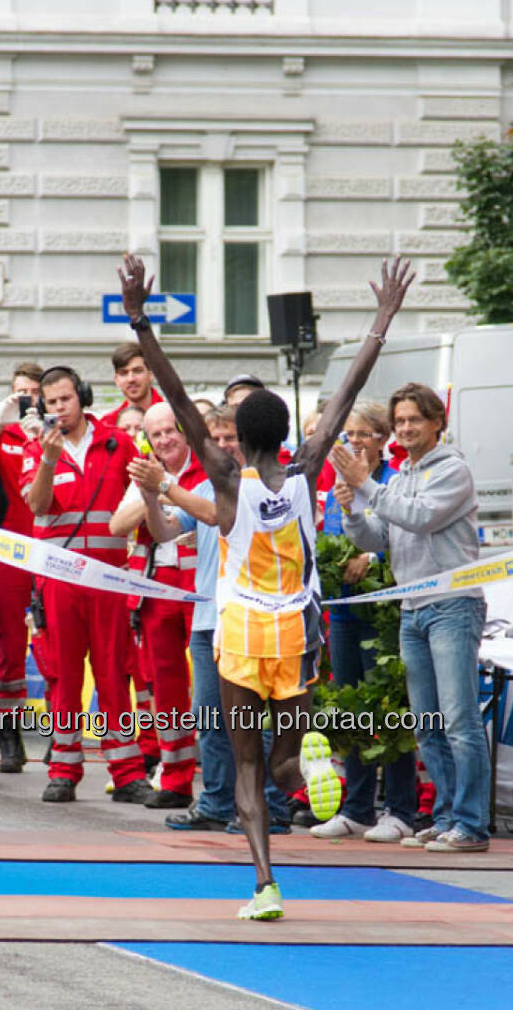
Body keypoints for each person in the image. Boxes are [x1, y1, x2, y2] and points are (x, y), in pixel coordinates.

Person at [120, 253, 413, 919]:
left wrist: (141, 319)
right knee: (286, 760)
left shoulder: (225, 477)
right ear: (286, 434)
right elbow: (341, 399)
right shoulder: (307, 468)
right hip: (296, 631)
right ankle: (312, 764)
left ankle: (264, 884)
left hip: (241, 633)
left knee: (247, 764)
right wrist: (381, 320)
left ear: (239, 436)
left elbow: (170, 394)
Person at [339, 381, 491, 852]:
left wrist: (367, 485)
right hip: (413, 609)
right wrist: (351, 511)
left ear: (437, 423)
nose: (405, 428)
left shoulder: (452, 469)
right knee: (427, 725)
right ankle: (446, 816)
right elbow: (376, 538)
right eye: (400, 420)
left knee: (459, 721)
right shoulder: (401, 475)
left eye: (414, 420)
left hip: (452, 606)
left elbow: (421, 517)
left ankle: (470, 824)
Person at [136, 401, 293, 838]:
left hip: (257, 620)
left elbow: (213, 517)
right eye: (216, 439)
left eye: (229, 438)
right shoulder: (206, 487)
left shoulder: (265, 486)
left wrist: (164, 483)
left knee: (256, 720)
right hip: (209, 621)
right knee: (210, 717)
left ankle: (271, 806)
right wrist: (151, 498)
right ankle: (219, 801)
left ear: (244, 442)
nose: (224, 446)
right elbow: (167, 531)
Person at [21, 366, 152, 803]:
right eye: (51, 403)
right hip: (58, 582)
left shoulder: (118, 442)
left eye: (65, 400)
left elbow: (147, 494)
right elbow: (36, 505)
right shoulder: (36, 447)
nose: (59, 409)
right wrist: (48, 460)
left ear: (82, 397)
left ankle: (128, 771)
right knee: (62, 676)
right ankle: (63, 768)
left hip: (109, 579)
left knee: (115, 672)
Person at [311, 400, 418, 843]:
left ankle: (400, 809)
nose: (352, 442)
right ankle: (356, 808)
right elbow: (329, 536)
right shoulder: (336, 485)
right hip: (344, 610)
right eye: (347, 435)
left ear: (382, 439)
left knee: (390, 710)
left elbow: (409, 536)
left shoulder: (394, 481)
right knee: (350, 707)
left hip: (384, 612)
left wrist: (373, 556)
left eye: (361, 434)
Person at [109, 401, 210, 807]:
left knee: (213, 688)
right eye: (156, 435)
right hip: (157, 585)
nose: (165, 439)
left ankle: (227, 781)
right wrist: (155, 492)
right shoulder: (145, 470)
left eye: (170, 431)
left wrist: (169, 492)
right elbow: (117, 525)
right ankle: (176, 781)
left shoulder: (207, 466)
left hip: (201, 584)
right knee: (166, 689)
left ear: (185, 432)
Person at [0, 361, 44, 772]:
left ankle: (63, 735)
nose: (27, 398)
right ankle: (9, 737)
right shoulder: (3, 435)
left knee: (56, 641)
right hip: (9, 551)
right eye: (20, 391)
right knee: (9, 643)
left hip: (49, 549)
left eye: (33, 392)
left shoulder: (50, 433)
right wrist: (0, 423)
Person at [103, 342, 164, 428]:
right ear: (116, 380)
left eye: (137, 371)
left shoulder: (172, 417)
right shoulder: (107, 425)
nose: (131, 379)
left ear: (151, 375)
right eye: (123, 373)